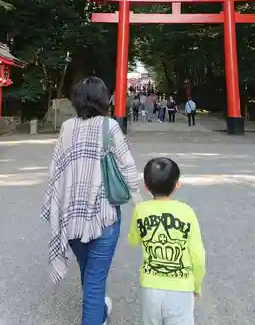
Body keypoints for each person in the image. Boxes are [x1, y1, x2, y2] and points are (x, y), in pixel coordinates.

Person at [41, 76, 141, 325]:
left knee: (90, 275)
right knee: (95, 282)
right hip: (103, 217)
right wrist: (140, 201)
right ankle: (96, 314)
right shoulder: (110, 127)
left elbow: (56, 171)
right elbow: (128, 170)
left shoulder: (67, 128)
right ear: (103, 99)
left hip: (72, 218)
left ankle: (99, 312)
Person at [128, 157, 206, 325]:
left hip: (151, 288)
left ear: (146, 187)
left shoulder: (141, 211)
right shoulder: (187, 212)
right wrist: (197, 284)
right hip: (182, 288)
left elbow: (133, 240)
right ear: (177, 185)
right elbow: (198, 255)